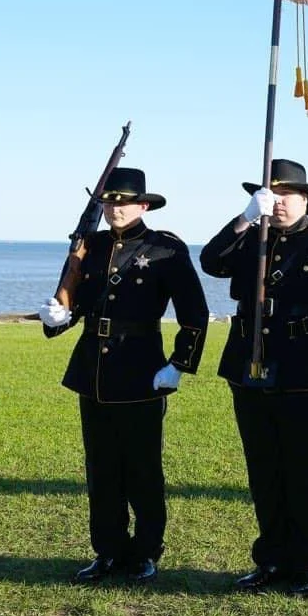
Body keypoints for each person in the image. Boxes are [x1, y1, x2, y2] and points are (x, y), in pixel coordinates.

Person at [199, 158, 308, 597]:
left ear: (306, 199)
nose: (279, 204)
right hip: (250, 370)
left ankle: (307, 560)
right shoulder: (251, 237)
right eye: (271, 196)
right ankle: (270, 557)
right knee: (264, 471)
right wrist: (244, 219)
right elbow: (210, 262)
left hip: (307, 372)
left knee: (305, 473)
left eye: (287, 195)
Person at [37, 167, 208, 584]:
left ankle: (146, 552)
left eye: (125, 202)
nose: (116, 209)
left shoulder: (164, 248)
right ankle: (108, 551)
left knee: (142, 469)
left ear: (144, 205)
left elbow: (195, 313)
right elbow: (74, 301)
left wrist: (179, 364)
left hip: (141, 369)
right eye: (110, 202)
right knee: (102, 469)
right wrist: (57, 316)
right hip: (93, 370)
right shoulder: (89, 247)